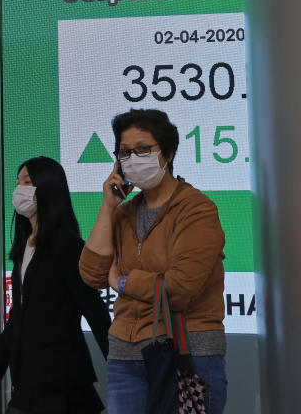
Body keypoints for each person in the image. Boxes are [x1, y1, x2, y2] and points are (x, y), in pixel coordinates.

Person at [80, 109, 227, 414]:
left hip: (187, 353)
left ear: (169, 152)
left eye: (143, 150)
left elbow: (178, 288)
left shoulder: (197, 209)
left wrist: (122, 281)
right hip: (125, 354)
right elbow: (92, 274)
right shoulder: (123, 213)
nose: (133, 158)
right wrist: (108, 207)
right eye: (124, 152)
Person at [0, 156, 110, 414]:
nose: (19, 190)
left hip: (61, 384)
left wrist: (121, 364)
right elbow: (20, 313)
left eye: (27, 182)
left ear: (48, 189)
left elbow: (93, 309)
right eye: (18, 182)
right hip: (27, 379)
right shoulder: (24, 247)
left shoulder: (68, 246)